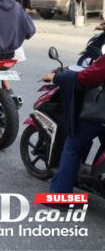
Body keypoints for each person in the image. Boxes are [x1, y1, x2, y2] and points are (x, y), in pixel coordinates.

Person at [42, 50, 105, 197]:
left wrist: (56, 77)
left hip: (99, 115)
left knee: (72, 146)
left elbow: (88, 76)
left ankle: (60, 195)